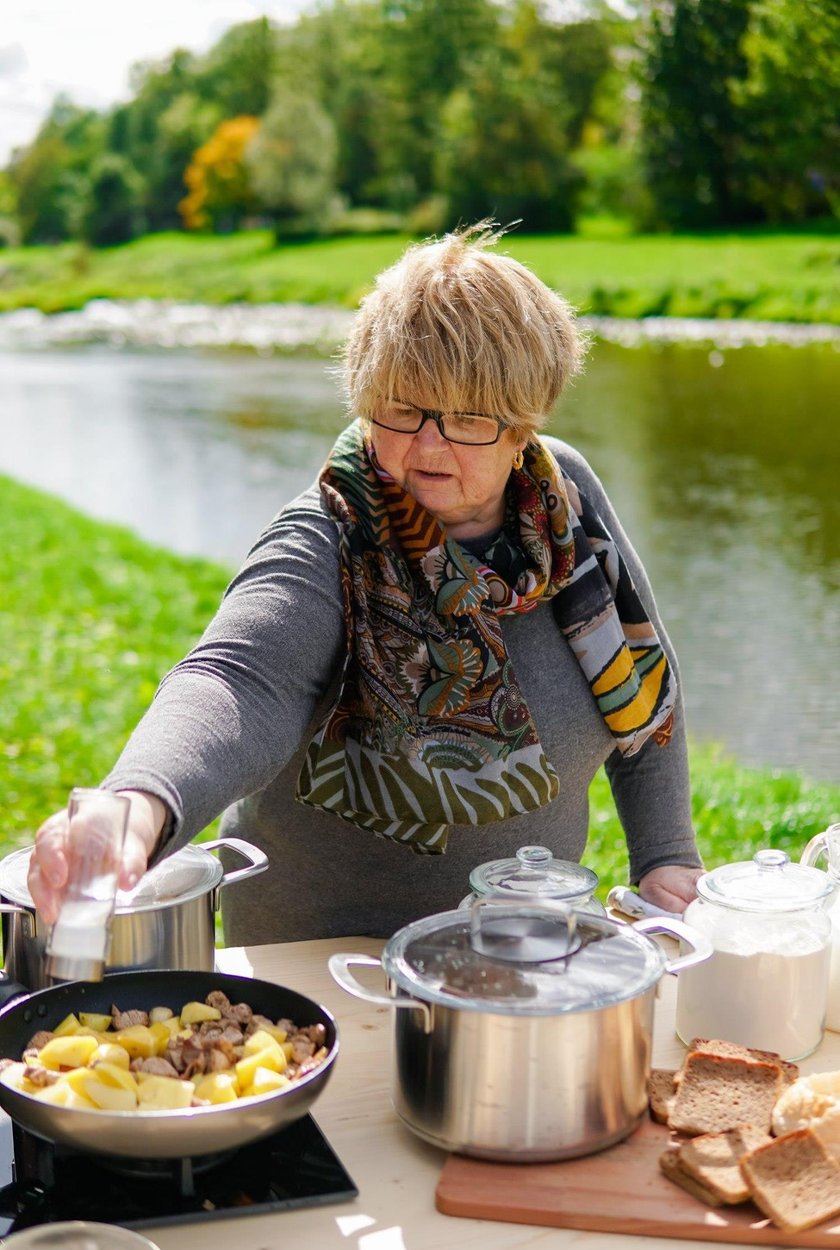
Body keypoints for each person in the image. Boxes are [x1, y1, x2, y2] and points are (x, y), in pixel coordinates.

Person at [29, 224, 703, 944]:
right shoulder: (330, 532)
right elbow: (239, 679)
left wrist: (666, 856)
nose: (429, 445)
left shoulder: (564, 500)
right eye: (402, 408)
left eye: (467, 418)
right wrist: (135, 804)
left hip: (524, 949)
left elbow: (642, 679)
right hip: (332, 966)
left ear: (522, 429)